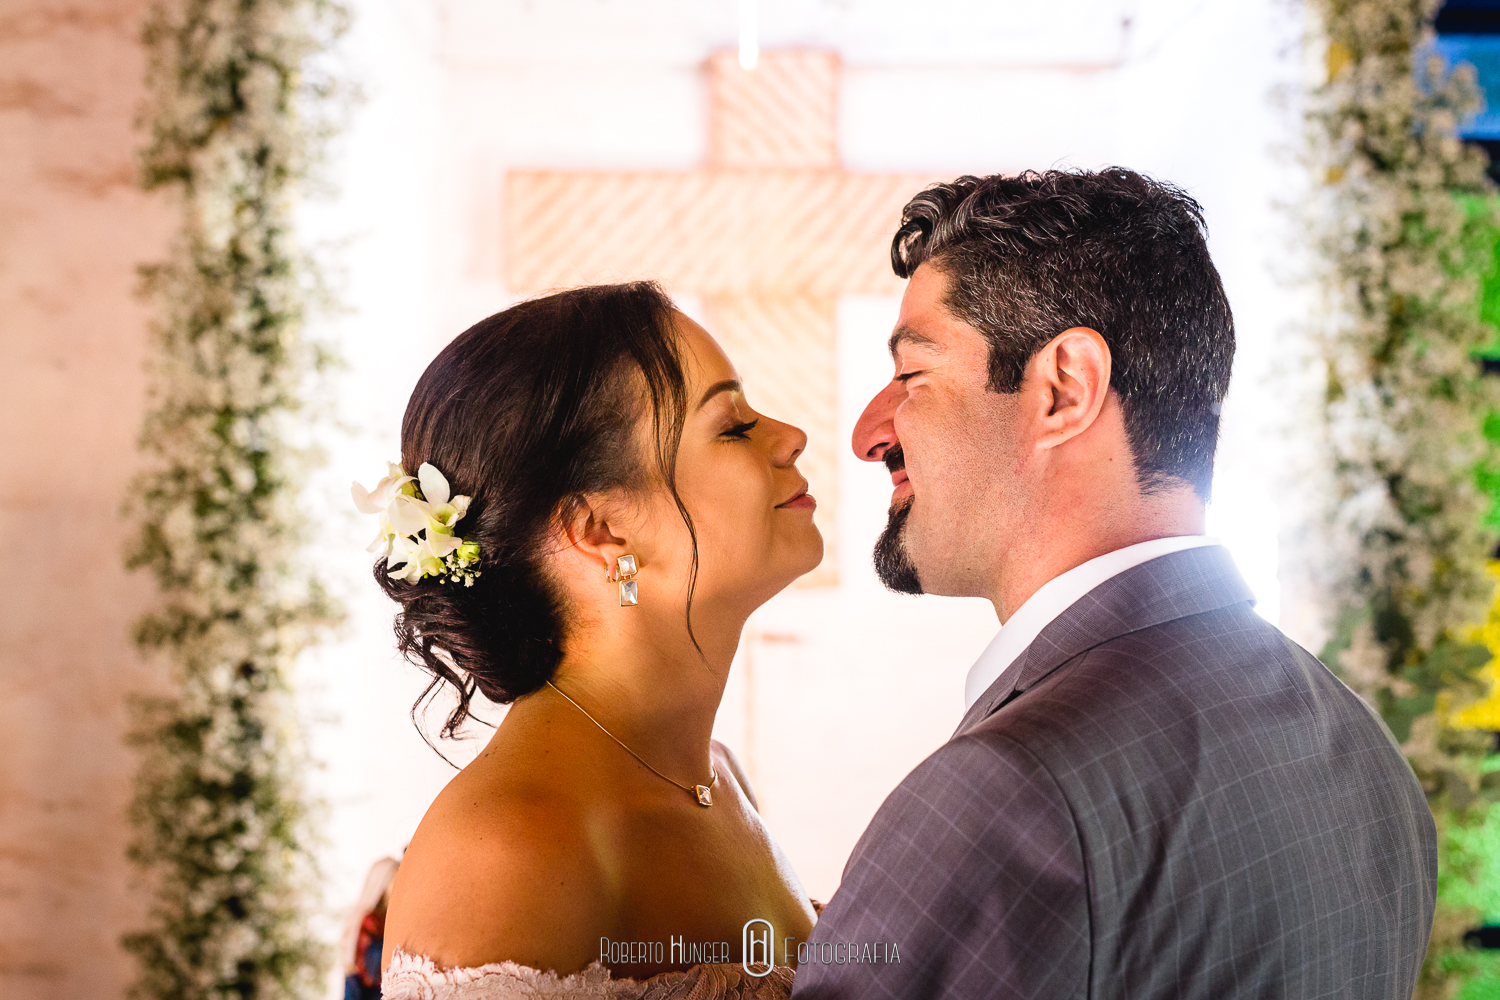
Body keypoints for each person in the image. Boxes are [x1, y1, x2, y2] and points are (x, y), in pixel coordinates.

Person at [792, 169, 1437, 999]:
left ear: (1064, 388)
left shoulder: (1007, 792)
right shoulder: (1360, 747)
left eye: (913, 376)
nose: (867, 433)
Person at [359, 283, 823, 999]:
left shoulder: (719, 780)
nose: (790, 435)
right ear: (602, 531)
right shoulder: (506, 852)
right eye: (732, 426)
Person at [341, 856, 400, 1000]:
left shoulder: (384, 918)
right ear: (382, 883)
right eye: (396, 879)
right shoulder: (370, 921)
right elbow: (375, 968)